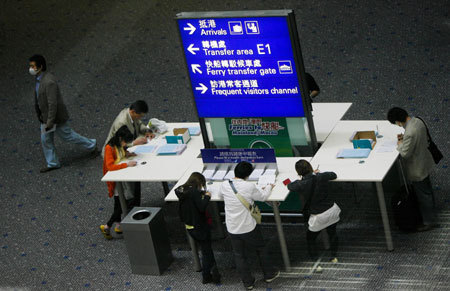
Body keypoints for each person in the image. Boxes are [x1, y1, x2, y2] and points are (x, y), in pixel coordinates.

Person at [29, 54, 99, 173]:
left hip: (55, 118)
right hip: (45, 118)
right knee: (45, 140)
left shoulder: (48, 81)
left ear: (40, 67)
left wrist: (50, 122)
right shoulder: (39, 79)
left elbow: (53, 104)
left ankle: (92, 145)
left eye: (32, 66)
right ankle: (52, 163)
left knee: (69, 136)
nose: (30, 68)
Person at [218, 161, 279, 290]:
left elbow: (220, 196)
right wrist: (269, 187)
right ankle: (269, 274)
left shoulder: (224, 185)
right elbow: (262, 197)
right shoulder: (249, 186)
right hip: (248, 227)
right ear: (248, 175)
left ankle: (248, 283)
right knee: (261, 248)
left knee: (239, 255)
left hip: (232, 227)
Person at [387, 107, 438, 231]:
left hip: (417, 167)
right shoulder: (418, 120)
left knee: (423, 194)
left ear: (398, 121)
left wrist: (400, 144)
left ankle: (428, 221)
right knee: (427, 189)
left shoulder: (409, 133)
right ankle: (431, 214)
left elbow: (405, 153)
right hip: (425, 160)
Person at [103, 100, 154, 207]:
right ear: (133, 112)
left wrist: (146, 131)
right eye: (139, 116)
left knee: (134, 181)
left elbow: (139, 124)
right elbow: (120, 143)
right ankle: (131, 205)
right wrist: (134, 143)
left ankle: (134, 203)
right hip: (115, 155)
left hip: (123, 152)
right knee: (129, 182)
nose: (140, 118)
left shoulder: (130, 115)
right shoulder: (121, 123)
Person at [287, 160, 339, 264]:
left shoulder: (300, 184)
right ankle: (334, 257)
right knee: (332, 233)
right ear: (310, 167)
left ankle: (316, 262)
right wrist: (317, 173)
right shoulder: (321, 176)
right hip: (332, 211)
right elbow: (333, 175)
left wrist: (297, 179)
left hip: (319, 216)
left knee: (310, 238)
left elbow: (289, 186)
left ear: (298, 172)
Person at [174, 172, 221, 285]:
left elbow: (191, 196)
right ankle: (207, 276)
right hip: (200, 226)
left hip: (190, 226)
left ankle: (213, 273)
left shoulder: (182, 190)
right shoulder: (194, 192)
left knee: (205, 250)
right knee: (207, 252)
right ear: (199, 182)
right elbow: (202, 206)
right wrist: (207, 196)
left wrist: (200, 193)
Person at [100, 125, 137, 239]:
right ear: (120, 138)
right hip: (115, 180)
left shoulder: (119, 145)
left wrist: (127, 154)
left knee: (118, 203)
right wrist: (126, 164)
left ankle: (118, 225)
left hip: (121, 177)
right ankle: (107, 225)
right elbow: (110, 166)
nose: (126, 145)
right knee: (121, 205)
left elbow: (121, 153)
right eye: (125, 142)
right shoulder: (109, 148)